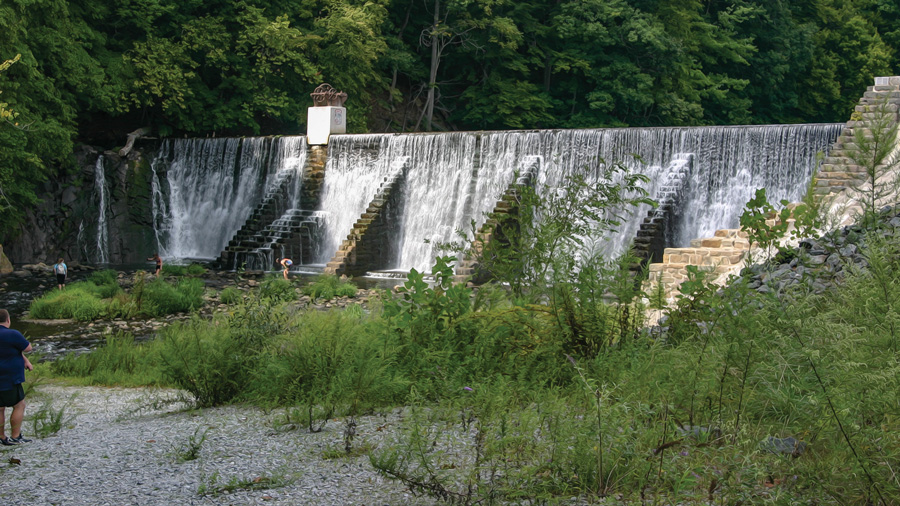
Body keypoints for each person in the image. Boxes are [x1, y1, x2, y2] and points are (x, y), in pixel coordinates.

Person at [0, 309, 33, 446]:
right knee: (19, 404)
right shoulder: (12, 334)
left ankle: (1, 437)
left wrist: (25, 360)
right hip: (10, 376)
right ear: (8, 320)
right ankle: (15, 435)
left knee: (0, 407)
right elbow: (28, 348)